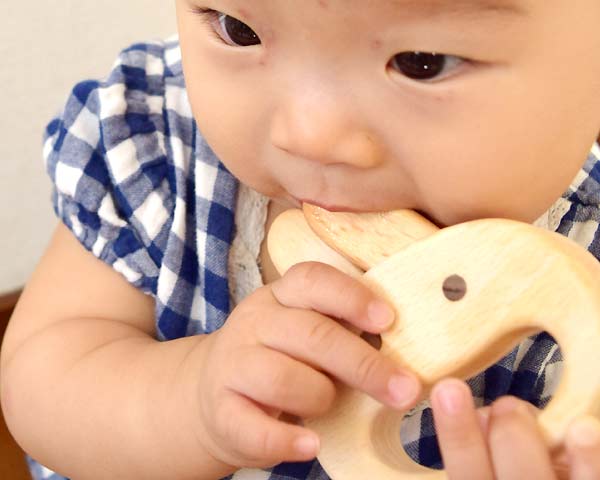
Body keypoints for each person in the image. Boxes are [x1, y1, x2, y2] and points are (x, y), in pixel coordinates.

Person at [2, 1, 600, 478]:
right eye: (238, 29)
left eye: (423, 60)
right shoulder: (159, 151)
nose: (309, 133)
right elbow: (45, 374)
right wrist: (192, 400)